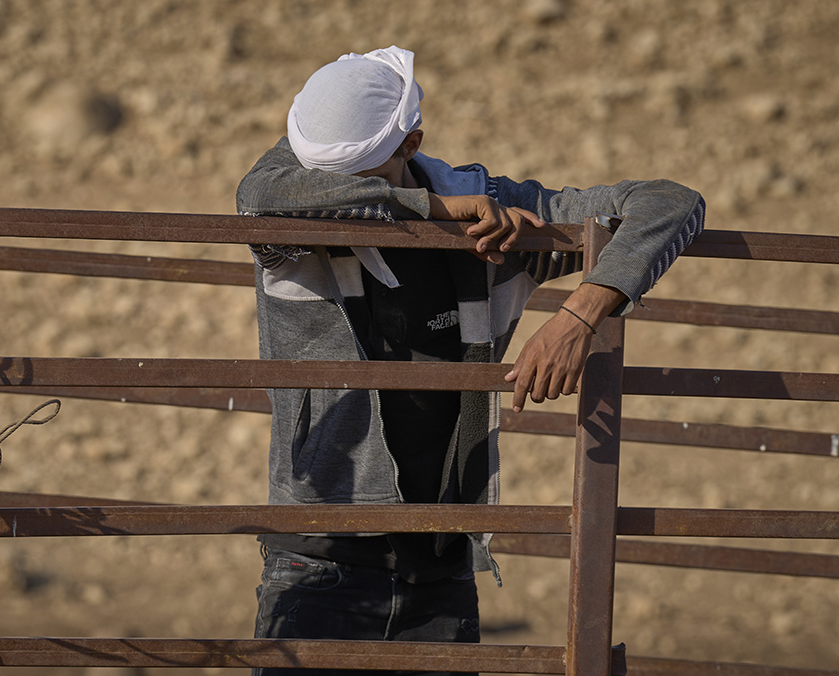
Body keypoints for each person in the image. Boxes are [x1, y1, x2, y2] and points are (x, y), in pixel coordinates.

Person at [236, 46, 704, 676]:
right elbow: (262, 195)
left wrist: (580, 315)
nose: (344, 188)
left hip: (443, 561)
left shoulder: (499, 214)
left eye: (361, 172)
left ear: (412, 143)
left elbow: (671, 202)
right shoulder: (293, 192)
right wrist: (432, 212)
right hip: (319, 555)